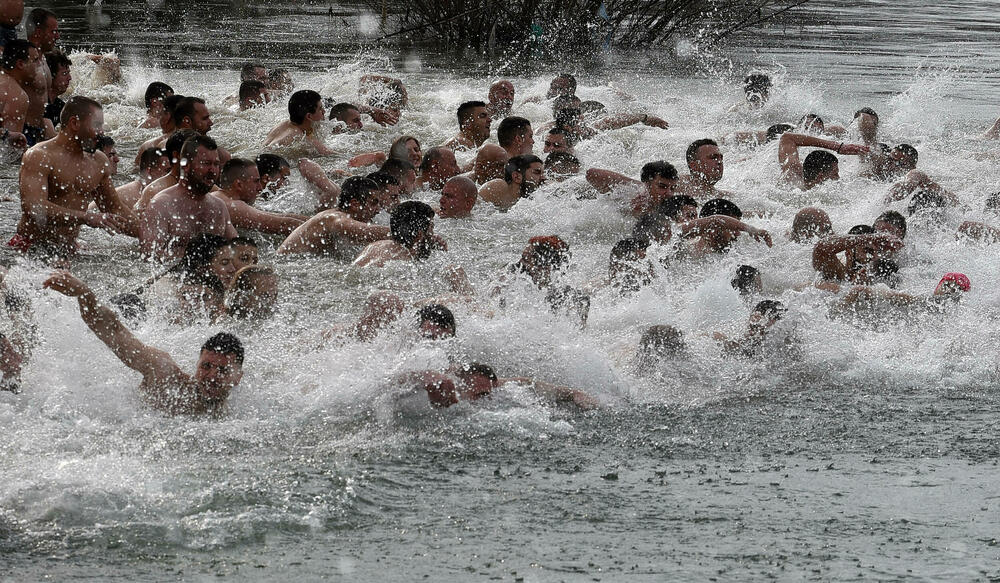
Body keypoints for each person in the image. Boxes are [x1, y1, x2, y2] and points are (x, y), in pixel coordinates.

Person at [43, 270, 245, 417]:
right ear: (197, 363)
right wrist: (85, 294)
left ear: (237, 378)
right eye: (206, 366)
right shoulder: (165, 375)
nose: (211, 377)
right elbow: (114, 331)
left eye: (223, 370)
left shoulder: (238, 412)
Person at [13, 96, 136, 259]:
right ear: (74, 123)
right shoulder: (39, 156)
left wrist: (148, 234)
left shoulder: (98, 161)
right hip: (30, 248)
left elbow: (114, 208)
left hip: (69, 249)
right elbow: (34, 207)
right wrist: (85, 217)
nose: (102, 132)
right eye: (97, 125)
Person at [141, 135, 237, 261]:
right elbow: (150, 258)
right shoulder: (161, 205)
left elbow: (238, 251)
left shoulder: (219, 207)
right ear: (185, 165)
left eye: (216, 164)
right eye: (206, 163)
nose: (213, 170)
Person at [277, 176, 389, 255]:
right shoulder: (334, 218)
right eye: (373, 203)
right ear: (355, 204)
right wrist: (398, 230)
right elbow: (365, 231)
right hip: (287, 265)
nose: (379, 210)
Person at [213, 158, 308, 235]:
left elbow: (273, 215)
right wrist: (316, 224)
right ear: (239, 185)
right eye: (256, 181)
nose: (260, 187)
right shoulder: (233, 206)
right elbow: (285, 225)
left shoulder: (218, 196)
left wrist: (310, 219)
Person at [832, 272, 970, 323]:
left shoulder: (934, 302)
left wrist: (880, 292)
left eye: (955, 290)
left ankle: (834, 315)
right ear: (939, 284)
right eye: (947, 285)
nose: (949, 291)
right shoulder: (958, 313)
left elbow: (909, 299)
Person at [353, 201, 440, 267]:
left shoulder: (375, 246)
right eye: (432, 228)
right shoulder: (404, 264)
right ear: (419, 235)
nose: (433, 234)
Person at [135, 128, 200, 210]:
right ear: (177, 155)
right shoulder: (155, 191)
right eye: (194, 154)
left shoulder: (204, 185)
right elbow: (139, 217)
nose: (200, 159)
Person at [586, 160, 678, 217]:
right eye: (662, 187)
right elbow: (591, 173)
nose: (669, 193)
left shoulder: (676, 205)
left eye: (672, 188)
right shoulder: (633, 192)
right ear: (647, 184)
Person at [778, 132, 867, 190]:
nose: (838, 178)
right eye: (835, 174)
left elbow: (787, 138)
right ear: (820, 177)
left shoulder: (792, 175)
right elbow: (787, 137)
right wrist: (837, 146)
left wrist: (839, 147)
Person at [811, 229, 903, 283]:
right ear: (849, 252)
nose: (875, 257)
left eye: (878, 252)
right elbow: (821, 248)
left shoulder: (881, 279)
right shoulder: (836, 276)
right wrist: (873, 237)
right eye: (867, 251)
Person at [264, 89, 334, 155]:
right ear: (309, 116)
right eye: (320, 109)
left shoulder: (286, 124)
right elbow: (328, 154)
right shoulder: (298, 137)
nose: (324, 111)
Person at [712, 299, 787, 359]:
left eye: (757, 327)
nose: (752, 331)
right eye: (752, 327)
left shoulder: (772, 343)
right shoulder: (735, 333)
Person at [0, 40, 36, 150]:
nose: (38, 66)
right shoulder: (18, 95)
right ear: (20, 64)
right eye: (35, 61)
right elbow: (11, 150)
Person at [479, 154, 544, 210]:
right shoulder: (498, 186)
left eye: (543, 173)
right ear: (516, 177)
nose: (543, 178)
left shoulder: (532, 200)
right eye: (537, 172)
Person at [133, 93, 184, 165]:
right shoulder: (194, 140)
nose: (159, 118)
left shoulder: (148, 146)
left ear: (167, 116)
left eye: (160, 114)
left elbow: (136, 169)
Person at [43, 51, 71, 129]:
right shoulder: (38, 105)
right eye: (64, 74)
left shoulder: (60, 106)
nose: (70, 78)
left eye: (69, 73)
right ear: (50, 75)